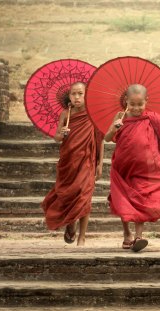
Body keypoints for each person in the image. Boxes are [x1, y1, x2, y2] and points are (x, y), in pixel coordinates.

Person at [104, 84, 160, 252]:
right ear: (126, 100)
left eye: (140, 104)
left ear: (146, 101)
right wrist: (115, 127)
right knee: (123, 200)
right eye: (133, 104)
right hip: (122, 168)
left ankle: (138, 237)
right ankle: (126, 233)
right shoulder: (120, 116)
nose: (136, 108)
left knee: (139, 199)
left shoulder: (152, 119)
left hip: (144, 170)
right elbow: (107, 138)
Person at [41, 82, 104, 246]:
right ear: (68, 97)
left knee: (85, 196)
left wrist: (100, 163)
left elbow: (100, 140)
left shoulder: (93, 114)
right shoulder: (65, 114)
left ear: (86, 95)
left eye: (80, 94)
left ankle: (82, 237)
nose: (77, 97)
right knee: (69, 194)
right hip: (68, 162)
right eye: (73, 94)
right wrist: (62, 134)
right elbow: (57, 138)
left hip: (87, 160)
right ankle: (71, 222)